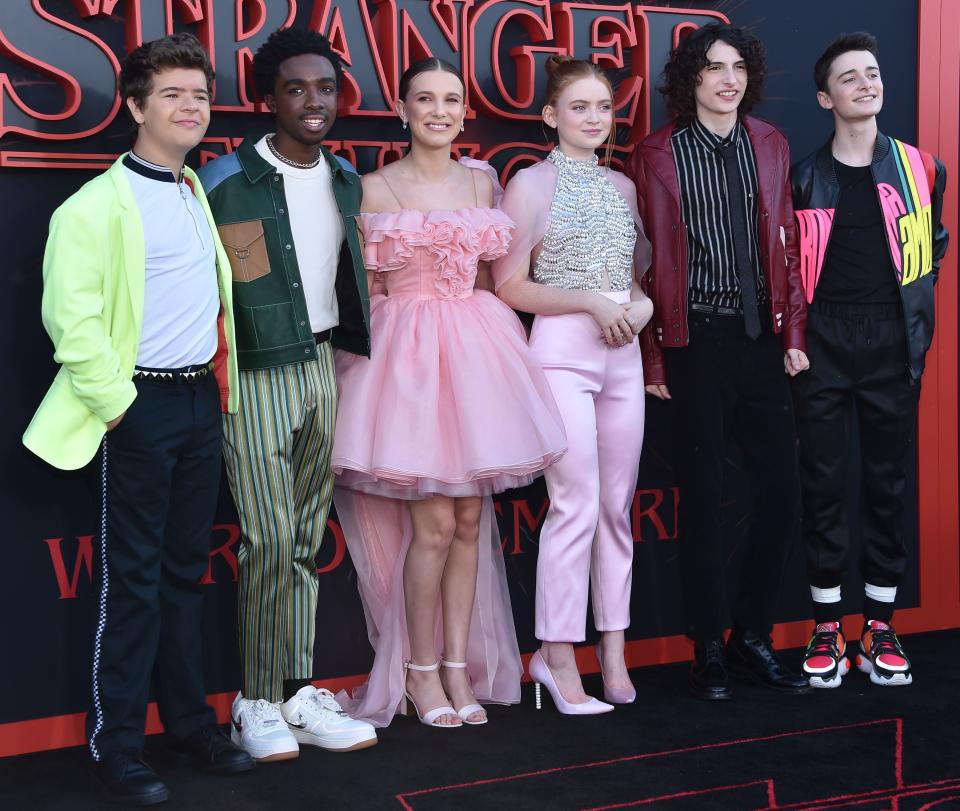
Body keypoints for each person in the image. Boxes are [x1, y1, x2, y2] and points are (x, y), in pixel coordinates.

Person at [23, 33, 252, 805]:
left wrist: (215, 391)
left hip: (199, 402)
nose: (191, 107)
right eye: (174, 96)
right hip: (139, 407)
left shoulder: (192, 192)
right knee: (137, 583)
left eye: (200, 95)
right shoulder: (93, 206)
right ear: (134, 107)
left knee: (187, 577)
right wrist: (122, 407)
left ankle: (189, 722)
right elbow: (71, 319)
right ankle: (116, 743)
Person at [331, 57, 566, 728]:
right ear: (402, 110)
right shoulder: (373, 188)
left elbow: (492, 285)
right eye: (424, 99)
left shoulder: (484, 183)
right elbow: (368, 293)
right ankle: (420, 671)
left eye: (451, 100)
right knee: (432, 524)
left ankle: (461, 667)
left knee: (467, 521)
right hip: (406, 366)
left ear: (464, 112)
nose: (439, 110)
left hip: (477, 355)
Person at [198, 28, 376, 759]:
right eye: (296, 88)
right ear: (267, 97)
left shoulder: (343, 178)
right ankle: (256, 700)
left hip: (320, 364)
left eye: (326, 88)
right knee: (269, 537)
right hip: (252, 369)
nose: (314, 101)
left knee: (303, 535)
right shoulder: (224, 180)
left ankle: (297, 690)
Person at [625, 23, 812, 700]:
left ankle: (751, 637)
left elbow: (787, 244)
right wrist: (653, 359)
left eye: (737, 67)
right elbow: (642, 262)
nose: (727, 78)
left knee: (780, 495)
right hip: (694, 342)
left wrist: (794, 332)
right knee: (702, 499)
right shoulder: (657, 153)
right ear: (690, 79)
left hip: (763, 342)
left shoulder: (771, 143)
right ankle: (706, 645)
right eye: (712, 67)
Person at [493, 56, 652, 715]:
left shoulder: (623, 189)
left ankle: (612, 648)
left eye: (602, 107)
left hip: (625, 350)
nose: (593, 118)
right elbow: (509, 285)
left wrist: (639, 308)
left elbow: (638, 279)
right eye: (578, 107)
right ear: (550, 117)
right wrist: (590, 300)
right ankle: (556, 654)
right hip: (561, 349)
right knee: (575, 502)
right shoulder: (529, 184)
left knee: (616, 507)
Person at [791, 33, 948, 688]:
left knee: (886, 485)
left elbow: (931, 250)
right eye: (849, 78)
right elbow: (789, 272)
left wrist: (906, 328)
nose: (865, 83)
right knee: (823, 484)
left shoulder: (923, 169)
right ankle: (827, 624)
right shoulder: (804, 176)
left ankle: (880, 624)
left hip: (891, 342)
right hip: (823, 341)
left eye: (872, 73)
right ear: (826, 97)